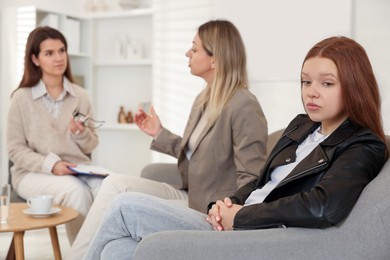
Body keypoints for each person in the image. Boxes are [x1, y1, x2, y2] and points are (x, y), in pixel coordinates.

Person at [84, 35, 388, 259]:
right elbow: (262, 181)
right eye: (306, 82)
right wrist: (227, 204)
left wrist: (241, 217)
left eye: (326, 83)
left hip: (259, 234)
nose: (311, 92)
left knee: (125, 206)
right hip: (236, 219)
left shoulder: (363, 143)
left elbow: (322, 204)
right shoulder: (301, 125)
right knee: (117, 251)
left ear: (353, 85)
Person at [69, 19, 268, 259]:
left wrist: (229, 214)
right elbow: (199, 153)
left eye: (194, 49)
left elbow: (252, 177)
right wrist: (159, 133)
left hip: (210, 210)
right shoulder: (204, 99)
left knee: (121, 217)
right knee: (114, 191)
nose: (188, 53)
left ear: (215, 59)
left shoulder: (244, 105)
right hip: (189, 193)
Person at [7, 26, 102, 244]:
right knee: (75, 191)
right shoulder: (20, 98)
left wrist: (79, 134)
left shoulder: (81, 96)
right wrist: (52, 165)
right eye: (49, 53)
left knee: (108, 187)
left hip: (78, 169)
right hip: (31, 174)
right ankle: (84, 256)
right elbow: (15, 149)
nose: (59, 58)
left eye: (62, 51)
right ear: (35, 59)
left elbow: (91, 145)